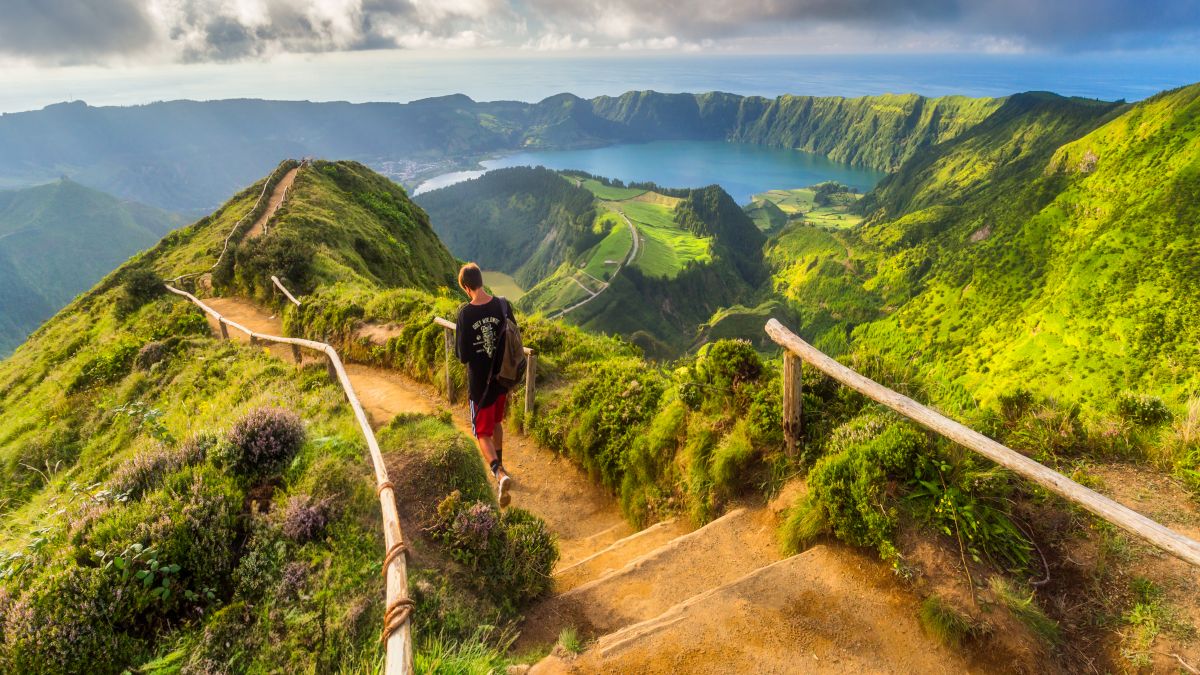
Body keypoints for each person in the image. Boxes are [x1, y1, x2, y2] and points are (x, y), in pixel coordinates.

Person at [454, 262, 516, 507]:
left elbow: (463, 356)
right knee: (497, 422)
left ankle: (498, 474)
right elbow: (513, 338)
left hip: (481, 386)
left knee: (481, 432)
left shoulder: (465, 314)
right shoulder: (502, 305)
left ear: (466, 287)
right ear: (481, 280)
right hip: (502, 380)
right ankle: (502, 465)